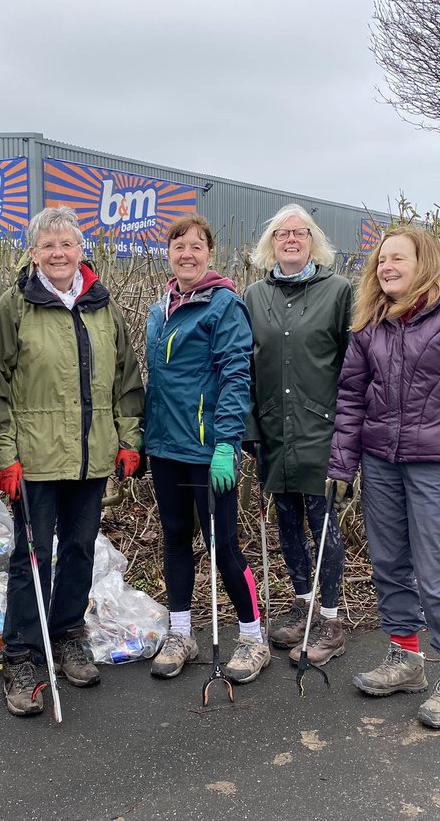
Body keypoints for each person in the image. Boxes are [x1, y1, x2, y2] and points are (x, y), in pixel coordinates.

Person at [327, 225, 440, 729]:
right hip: (381, 461)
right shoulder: (371, 323)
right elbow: (350, 398)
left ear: (424, 262)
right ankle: (405, 659)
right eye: (381, 260)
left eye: (397, 259)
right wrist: (342, 464)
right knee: (388, 561)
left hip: (438, 464)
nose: (386, 267)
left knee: (433, 571)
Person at [0, 206, 145, 717]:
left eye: (67, 245)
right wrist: (5, 454)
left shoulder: (103, 307)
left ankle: (68, 634)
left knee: (78, 549)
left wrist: (128, 438)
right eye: (48, 245)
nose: (58, 253)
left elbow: (126, 379)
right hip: (34, 461)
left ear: (81, 250)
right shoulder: (15, 307)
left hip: (91, 458)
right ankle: (24, 656)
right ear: (32, 253)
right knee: (31, 557)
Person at [145, 213, 270, 684]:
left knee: (224, 548)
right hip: (166, 447)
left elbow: (237, 377)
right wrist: (144, 434)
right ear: (169, 253)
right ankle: (181, 632)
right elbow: (157, 382)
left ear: (209, 254)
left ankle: (253, 637)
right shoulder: (161, 309)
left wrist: (226, 444)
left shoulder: (223, 306)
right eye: (179, 246)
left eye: (196, 246)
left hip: (207, 451)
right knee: (175, 538)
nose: (187, 254)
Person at [243, 204, 353, 667]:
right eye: (283, 233)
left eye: (301, 233)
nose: (291, 239)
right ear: (271, 243)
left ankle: (331, 621)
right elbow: (242, 367)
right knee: (287, 522)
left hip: (320, 430)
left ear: (314, 241)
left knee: (323, 523)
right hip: (273, 430)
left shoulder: (339, 292)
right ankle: (302, 604)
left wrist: (349, 434)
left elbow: (354, 369)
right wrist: (249, 429)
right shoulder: (252, 296)